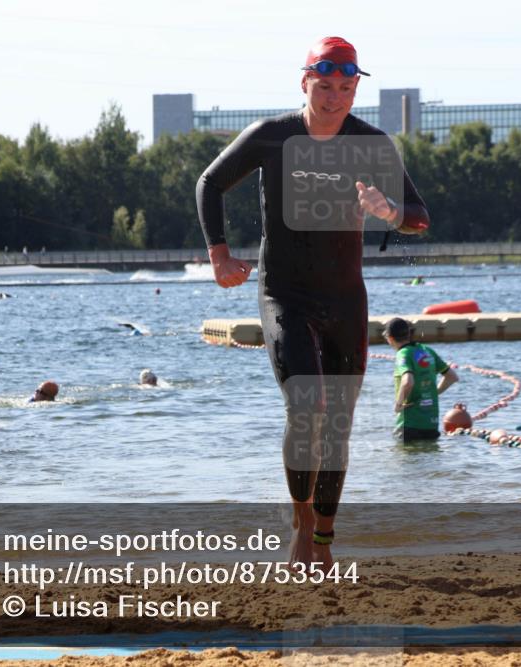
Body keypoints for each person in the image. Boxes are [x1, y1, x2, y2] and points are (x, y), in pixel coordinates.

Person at [195, 36, 430, 568]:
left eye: (346, 88)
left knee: (338, 422)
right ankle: (301, 524)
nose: (335, 99)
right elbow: (210, 182)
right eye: (325, 86)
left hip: (345, 300)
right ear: (305, 82)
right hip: (284, 294)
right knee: (308, 408)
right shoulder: (272, 137)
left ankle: (324, 537)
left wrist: (389, 211)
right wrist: (219, 255)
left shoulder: (371, 144)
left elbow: (419, 217)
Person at [382, 318, 458, 441]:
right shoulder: (427, 351)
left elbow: (408, 381)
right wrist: (433, 392)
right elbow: (452, 377)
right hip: (431, 424)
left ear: (390, 338)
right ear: (408, 334)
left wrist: (398, 404)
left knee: (403, 458)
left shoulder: (403, 354)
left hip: (409, 424)